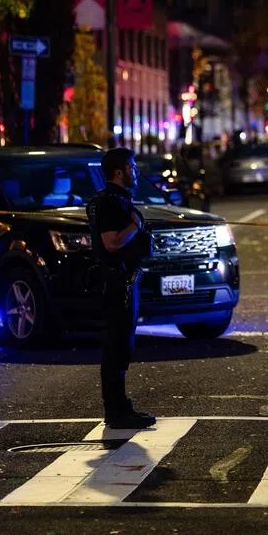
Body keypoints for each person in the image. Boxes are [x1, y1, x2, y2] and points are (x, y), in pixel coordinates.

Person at [87, 148, 155, 429]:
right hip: (116, 281)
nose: (135, 171)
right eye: (131, 167)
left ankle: (120, 405)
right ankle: (115, 411)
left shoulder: (117, 200)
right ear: (118, 171)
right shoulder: (110, 203)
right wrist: (135, 225)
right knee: (117, 345)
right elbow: (111, 243)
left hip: (124, 279)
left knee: (122, 345)